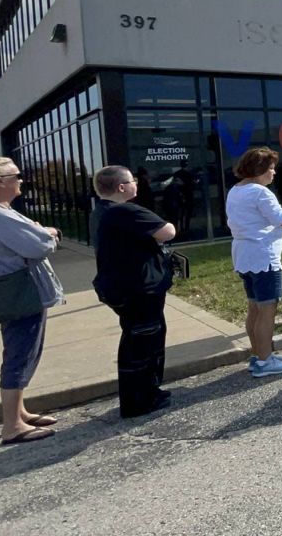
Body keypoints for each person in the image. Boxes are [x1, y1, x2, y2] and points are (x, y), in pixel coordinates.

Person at [89, 165, 177, 417]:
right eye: (132, 181)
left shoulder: (101, 212)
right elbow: (167, 231)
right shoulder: (124, 210)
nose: (136, 184)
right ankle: (140, 400)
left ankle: (147, 392)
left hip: (121, 286)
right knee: (143, 342)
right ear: (121, 187)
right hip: (137, 289)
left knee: (139, 340)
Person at [0, 157, 65, 445]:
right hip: (20, 293)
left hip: (11, 293)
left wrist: (37, 231)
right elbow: (39, 245)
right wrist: (49, 233)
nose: (21, 180)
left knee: (17, 350)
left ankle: (19, 412)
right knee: (21, 354)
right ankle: (12, 426)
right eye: (16, 175)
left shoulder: (1, 212)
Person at [226, 147, 282, 377]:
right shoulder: (261, 192)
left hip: (243, 254)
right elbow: (280, 219)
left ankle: (259, 353)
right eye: (270, 169)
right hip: (263, 256)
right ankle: (265, 360)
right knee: (268, 309)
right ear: (259, 170)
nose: (274, 173)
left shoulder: (236, 190)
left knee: (254, 308)